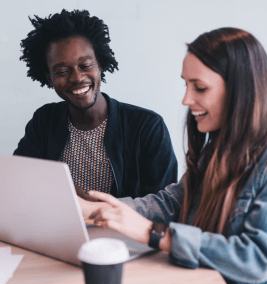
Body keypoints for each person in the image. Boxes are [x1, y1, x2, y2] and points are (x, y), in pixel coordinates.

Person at [79, 27, 267, 284]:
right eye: (186, 84)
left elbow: (257, 258)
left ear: (240, 88)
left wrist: (155, 234)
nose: (186, 99)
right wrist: (96, 210)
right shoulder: (222, 142)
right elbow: (175, 201)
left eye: (200, 87)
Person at [14, 9, 178, 200]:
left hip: (121, 230)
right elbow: (19, 181)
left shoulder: (147, 126)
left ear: (100, 66)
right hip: (56, 228)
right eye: (62, 71)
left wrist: (97, 208)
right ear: (49, 78)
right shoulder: (44, 120)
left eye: (85, 66)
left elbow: (164, 205)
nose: (77, 78)